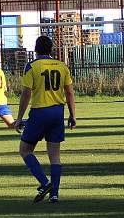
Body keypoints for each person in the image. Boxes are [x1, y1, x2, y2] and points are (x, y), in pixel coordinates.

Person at [13, 36, 76, 204]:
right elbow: (69, 93)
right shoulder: (62, 66)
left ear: (36, 49)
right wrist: (72, 115)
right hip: (57, 112)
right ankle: (54, 194)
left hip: (40, 112)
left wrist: (19, 118)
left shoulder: (32, 66)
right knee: (55, 156)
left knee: (25, 150)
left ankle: (45, 183)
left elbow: (26, 93)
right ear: (51, 50)